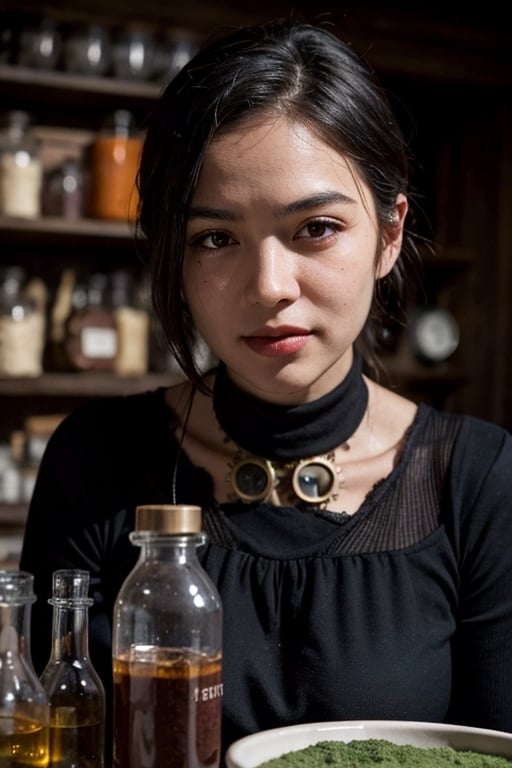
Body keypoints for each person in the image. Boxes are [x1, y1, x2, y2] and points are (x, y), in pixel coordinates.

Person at [20, 16, 512, 764]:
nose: (268, 288)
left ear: (388, 233)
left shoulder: (477, 480)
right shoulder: (98, 462)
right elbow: (53, 734)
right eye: (216, 239)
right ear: (173, 259)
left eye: (315, 228)